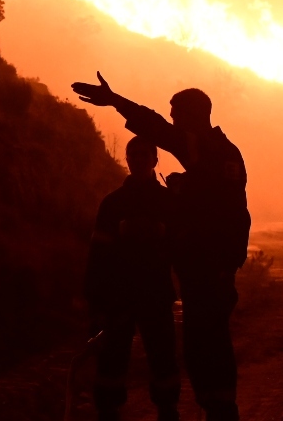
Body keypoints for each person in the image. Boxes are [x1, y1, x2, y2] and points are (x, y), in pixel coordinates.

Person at [73, 73, 251, 421]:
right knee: (202, 348)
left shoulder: (208, 150)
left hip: (210, 272)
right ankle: (217, 410)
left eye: (176, 113)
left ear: (194, 116)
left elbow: (227, 214)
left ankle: (220, 412)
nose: (171, 119)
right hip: (205, 272)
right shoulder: (214, 153)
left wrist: (115, 101)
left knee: (208, 349)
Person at [84, 136, 180, 421]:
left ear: (155, 160)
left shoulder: (168, 202)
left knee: (162, 356)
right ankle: (108, 411)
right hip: (119, 295)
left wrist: (162, 233)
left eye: (143, 155)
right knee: (112, 357)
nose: (137, 159)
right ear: (127, 160)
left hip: (155, 293)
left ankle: (168, 411)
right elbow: (98, 255)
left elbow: (182, 247)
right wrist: (95, 299)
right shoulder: (113, 203)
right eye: (132, 155)